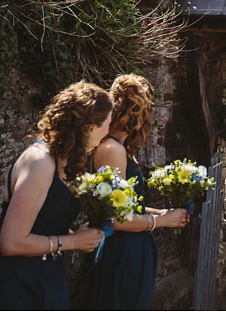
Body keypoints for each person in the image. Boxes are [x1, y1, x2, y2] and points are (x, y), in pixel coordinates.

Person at [0, 82, 113, 310]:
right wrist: (72, 242)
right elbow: (10, 242)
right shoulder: (40, 162)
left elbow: (43, 223)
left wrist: (80, 235)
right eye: (106, 125)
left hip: (46, 281)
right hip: (12, 286)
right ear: (89, 127)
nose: (108, 132)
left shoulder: (66, 161)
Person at [87, 74, 190, 311]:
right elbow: (115, 218)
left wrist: (162, 212)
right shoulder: (112, 149)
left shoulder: (121, 148)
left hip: (134, 246)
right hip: (123, 251)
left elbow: (128, 207)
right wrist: (161, 220)